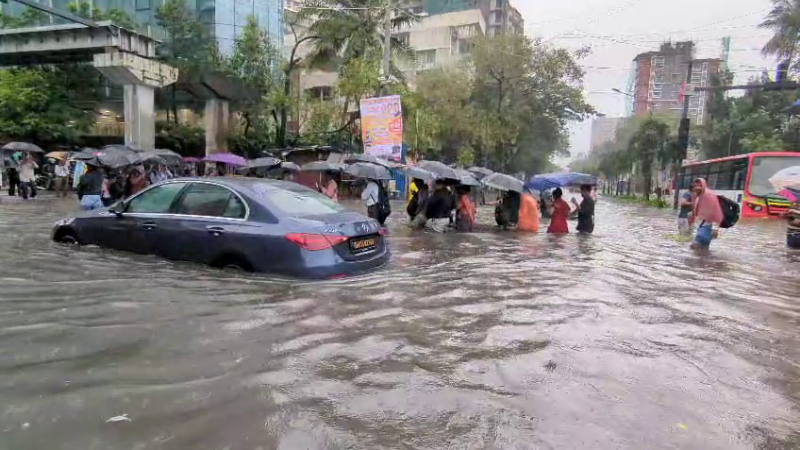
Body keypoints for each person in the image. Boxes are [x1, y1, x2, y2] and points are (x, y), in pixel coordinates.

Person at [690, 178, 723, 250]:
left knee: (694, 246)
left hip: (707, 226)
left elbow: (716, 212)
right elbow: (696, 211)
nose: (696, 188)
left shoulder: (709, 196)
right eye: (695, 186)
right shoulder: (696, 196)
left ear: (703, 186)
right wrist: (691, 219)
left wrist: (715, 228)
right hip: (698, 226)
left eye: (699, 186)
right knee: (703, 250)